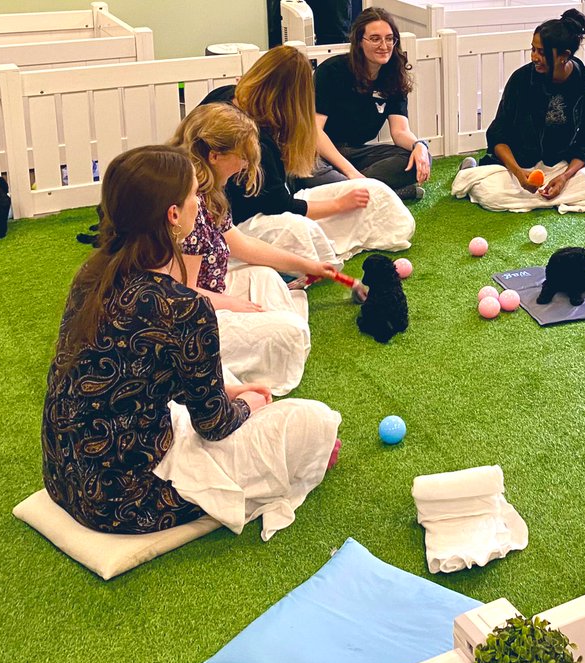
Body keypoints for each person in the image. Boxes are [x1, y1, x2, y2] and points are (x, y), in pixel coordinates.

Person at [41, 145, 340, 539]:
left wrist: (230, 387)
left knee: (199, 402)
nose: (199, 202)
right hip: (125, 502)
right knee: (314, 422)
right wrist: (247, 402)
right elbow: (214, 425)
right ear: (173, 215)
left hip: (62, 476)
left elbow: (146, 368)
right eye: (192, 196)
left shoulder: (90, 274)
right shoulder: (184, 308)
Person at [170, 103, 336, 395]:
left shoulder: (210, 195)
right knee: (290, 331)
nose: (245, 165)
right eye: (242, 157)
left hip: (214, 289)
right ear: (215, 155)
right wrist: (232, 305)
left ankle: (277, 333)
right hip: (190, 311)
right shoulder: (189, 207)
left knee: (267, 277)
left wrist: (307, 265)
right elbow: (181, 291)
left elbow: (242, 245)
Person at [200, 45, 415, 261]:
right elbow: (280, 206)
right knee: (302, 229)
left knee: (371, 190)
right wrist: (339, 204)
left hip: (271, 199)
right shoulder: (256, 138)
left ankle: (391, 197)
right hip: (245, 219)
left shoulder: (226, 97)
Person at [452, 10, 585, 213]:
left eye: (542, 52)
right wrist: (519, 174)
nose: (534, 57)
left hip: (561, 165)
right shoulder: (521, 80)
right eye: (533, 49)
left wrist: (564, 177)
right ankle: (474, 173)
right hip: (519, 164)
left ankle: (544, 191)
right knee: (491, 195)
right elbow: (498, 137)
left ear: (564, 56)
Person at [310, 8, 431, 200]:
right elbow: (315, 132)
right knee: (303, 172)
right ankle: (389, 193)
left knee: (416, 159)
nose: (384, 45)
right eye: (375, 39)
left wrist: (420, 146)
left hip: (359, 154)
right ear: (359, 42)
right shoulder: (332, 71)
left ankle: (351, 193)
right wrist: (350, 172)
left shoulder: (393, 76)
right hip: (323, 153)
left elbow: (400, 132)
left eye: (390, 38)